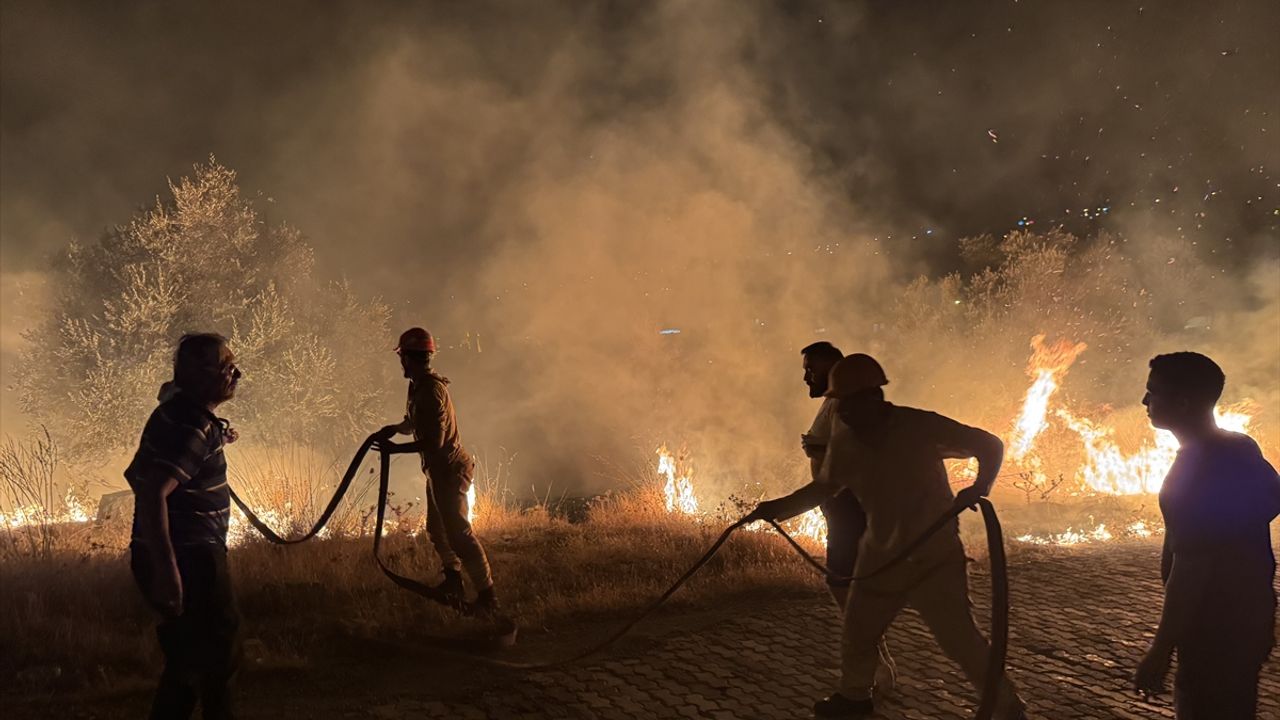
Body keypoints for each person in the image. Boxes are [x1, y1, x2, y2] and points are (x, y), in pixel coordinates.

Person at [747, 353, 1025, 719]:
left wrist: (980, 486)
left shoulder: (919, 426)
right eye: (840, 404)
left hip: (932, 556)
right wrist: (775, 508)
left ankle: (1006, 707)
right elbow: (823, 488)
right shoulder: (847, 443)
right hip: (880, 555)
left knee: (959, 639)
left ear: (874, 398)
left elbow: (989, 445)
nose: (843, 412)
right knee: (858, 632)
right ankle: (854, 697)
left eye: (848, 403)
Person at [1132, 352, 1279, 718]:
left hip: (1212, 627)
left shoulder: (1193, 472)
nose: (1145, 401)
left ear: (1183, 402)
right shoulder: (1241, 446)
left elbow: (1190, 572)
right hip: (1251, 616)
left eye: (1153, 392)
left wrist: (1160, 650)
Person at [125, 333, 243, 720]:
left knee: (190, 662)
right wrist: (167, 569)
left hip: (182, 555)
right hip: (191, 560)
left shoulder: (179, 414)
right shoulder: (191, 425)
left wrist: (211, 440)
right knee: (215, 658)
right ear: (198, 374)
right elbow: (151, 492)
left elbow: (138, 475)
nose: (235, 374)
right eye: (226, 367)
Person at [374, 327, 497, 612]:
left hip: (451, 470)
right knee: (437, 530)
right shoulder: (417, 386)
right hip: (438, 471)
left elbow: (434, 442)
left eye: (402, 357)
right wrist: (394, 429)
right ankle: (454, 581)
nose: (401, 363)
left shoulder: (430, 391)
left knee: (459, 535)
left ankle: (488, 596)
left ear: (408, 357)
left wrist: (394, 450)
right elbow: (413, 423)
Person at [799, 342, 895, 690]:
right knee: (847, 586)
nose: (806, 377)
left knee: (846, 586)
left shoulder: (844, 406)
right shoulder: (832, 403)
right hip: (839, 506)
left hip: (849, 507)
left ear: (834, 369)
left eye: (812, 369)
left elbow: (859, 450)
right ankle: (877, 662)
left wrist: (819, 448)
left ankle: (871, 670)